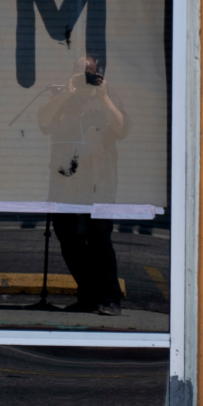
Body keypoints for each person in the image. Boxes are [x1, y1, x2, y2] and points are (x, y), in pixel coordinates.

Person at [37, 54, 128, 315]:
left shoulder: (107, 96)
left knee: (100, 241)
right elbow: (42, 120)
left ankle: (110, 299)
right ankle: (88, 295)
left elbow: (122, 129)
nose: (83, 76)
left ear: (99, 73)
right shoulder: (64, 99)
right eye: (78, 71)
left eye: (88, 72)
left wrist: (104, 97)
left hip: (100, 181)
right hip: (65, 182)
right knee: (68, 238)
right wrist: (66, 93)